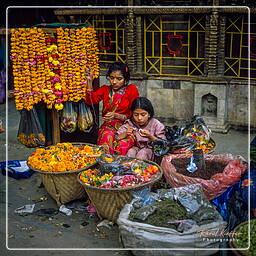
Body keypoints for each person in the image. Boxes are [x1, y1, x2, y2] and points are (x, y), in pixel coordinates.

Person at [85, 62, 139, 153]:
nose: (114, 82)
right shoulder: (105, 89)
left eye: (119, 79)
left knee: (122, 144)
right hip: (108, 126)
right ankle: (106, 164)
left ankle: (122, 166)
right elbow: (90, 100)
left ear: (125, 79)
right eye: (111, 78)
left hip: (127, 126)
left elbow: (135, 112)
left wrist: (116, 115)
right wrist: (89, 81)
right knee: (106, 137)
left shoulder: (131, 89)